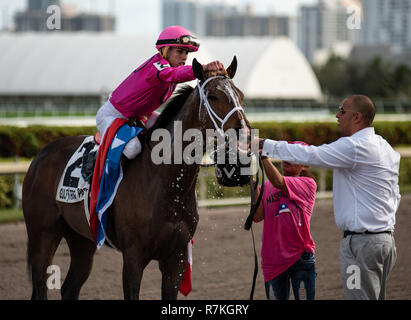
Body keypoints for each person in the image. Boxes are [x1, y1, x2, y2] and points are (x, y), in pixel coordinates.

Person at [258, 95, 400, 300]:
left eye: (342, 111)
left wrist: (263, 144)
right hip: (384, 242)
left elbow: (312, 155)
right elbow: (395, 194)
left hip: (360, 246)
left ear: (357, 117)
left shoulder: (354, 146)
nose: (337, 115)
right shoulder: (385, 147)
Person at [95, 25, 224, 159]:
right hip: (112, 116)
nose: (184, 57)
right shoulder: (158, 67)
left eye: (187, 53)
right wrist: (203, 68)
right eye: (180, 51)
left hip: (139, 117)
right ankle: (95, 164)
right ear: (166, 50)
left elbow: (177, 74)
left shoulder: (170, 70)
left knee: (172, 130)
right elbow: (174, 75)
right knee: (133, 148)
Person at [253, 141, 317, 300]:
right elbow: (257, 216)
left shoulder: (308, 184)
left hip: (300, 257)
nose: (286, 159)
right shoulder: (266, 187)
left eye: (293, 156)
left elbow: (279, 182)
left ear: (305, 166)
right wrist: (253, 186)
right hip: (272, 261)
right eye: (284, 155)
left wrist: (263, 156)